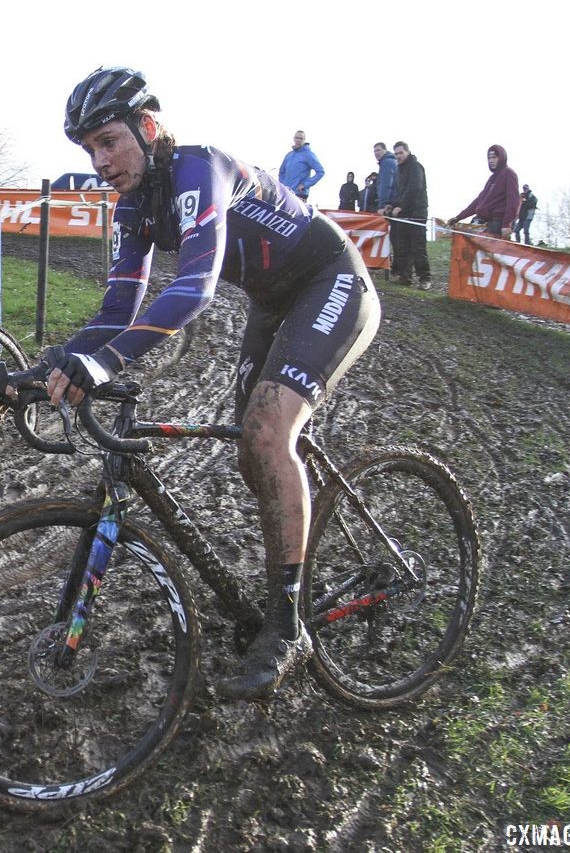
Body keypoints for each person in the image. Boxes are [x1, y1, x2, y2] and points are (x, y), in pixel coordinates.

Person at [50, 67, 381, 700]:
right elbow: (118, 311)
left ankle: (287, 628)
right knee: (250, 453)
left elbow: (194, 289)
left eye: (109, 141)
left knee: (266, 429)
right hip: (271, 301)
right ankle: (295, 558)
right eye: (89, 149)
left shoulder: (201, 168)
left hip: (331, 279)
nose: (100, 161)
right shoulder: (132, 207)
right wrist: (55, 365)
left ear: (149, 129)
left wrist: (106, 364)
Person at [383, 141, 431, 288]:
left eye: (401, 153)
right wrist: (392, 203)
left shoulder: (416, 167)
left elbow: (414, 189)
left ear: (407, 152)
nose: (398, 156)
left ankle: (425, 278)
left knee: (418, 248)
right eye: (396, 153)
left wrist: (401, 207)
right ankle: (405, 276)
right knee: (403, 246)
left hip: (417, 212)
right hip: (404, 214)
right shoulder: (399, 170)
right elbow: (400, 191)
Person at [447, 145, 519, 239]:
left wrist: (507, 224)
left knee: (488, 252)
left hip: (498, 223)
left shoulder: (509, 174)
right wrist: (458, 217)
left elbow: (514, 201)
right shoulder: (492, 178)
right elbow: (479, 202)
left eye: (494, 157)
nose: (491, 161)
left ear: (501, 157)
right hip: (485, 221)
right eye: (489, 158)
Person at [278, 130, 325, 200]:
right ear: (294, 139)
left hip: (299, 193)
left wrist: (305, 185)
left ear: (304, 140)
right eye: (297, 138)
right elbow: (281, 171)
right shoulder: (289, 155)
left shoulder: (308, 154)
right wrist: (283, 184)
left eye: (301, 138)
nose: (298, 140)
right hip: (286, 192)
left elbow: (320, 172)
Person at [373, 142, 397, 211]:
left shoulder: (386, 163)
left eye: (378, 150)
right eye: (374, 151)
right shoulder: (393, 161)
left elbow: (386, 185)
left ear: (385, 150)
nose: (376, 153)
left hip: (388, 206)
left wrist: (382, 206)